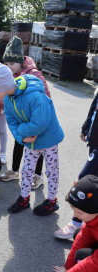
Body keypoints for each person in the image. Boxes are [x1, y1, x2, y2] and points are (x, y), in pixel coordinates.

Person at [0, 63, 64, 215]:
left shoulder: (35, 96)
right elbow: (12, 122)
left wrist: (21, 133)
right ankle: (24, 198)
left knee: (52, 171)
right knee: (27, 170)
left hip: (49, 140)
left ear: (3, 86)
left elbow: (40, 124)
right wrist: (22, 138)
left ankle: (52, 201)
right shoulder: (8, 99)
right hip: (30, 141)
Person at [0, 36, 51, 189]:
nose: (9, 67)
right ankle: (15, 171)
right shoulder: (12, 74)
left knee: (38, 146)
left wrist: (39, 119)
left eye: (12, 63)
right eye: (6, 63)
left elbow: (45, 95)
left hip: (37, 119)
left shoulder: (33, 73)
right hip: (22, 118)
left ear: (21, 61)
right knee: (19, 143)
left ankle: (38, 176)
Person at [55, 89, 98, 239]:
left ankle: (76, 223)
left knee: (86, 179)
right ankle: (86, 225)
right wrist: (86, 127)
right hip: (95, 140)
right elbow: (94, 109)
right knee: (91, 180)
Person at [51, 175, 98, 272]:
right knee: (79, 233)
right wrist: (69, 268)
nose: (75, 216)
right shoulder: (92, 218)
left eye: (79, 212)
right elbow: (83, 238)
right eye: (74, 211)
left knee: (81, 256)